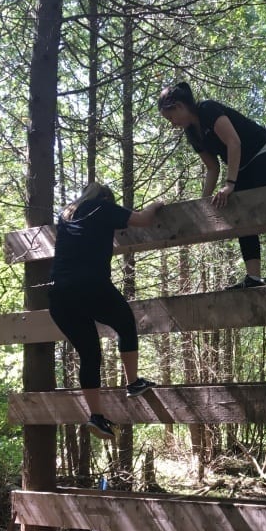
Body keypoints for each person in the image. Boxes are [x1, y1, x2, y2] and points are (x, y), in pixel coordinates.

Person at [48, 182, 164, 439]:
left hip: (59, 294)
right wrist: (157, 205)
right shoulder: (102, 206)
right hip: (90, 285)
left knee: (89, 354)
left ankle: (96, 417)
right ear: (106, 198)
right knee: (125, 323)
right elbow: (144, 220)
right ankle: (133, 382)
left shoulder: (67, 214)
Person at [158, 81, 266, 289]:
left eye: (171, 117)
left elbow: (234, 142)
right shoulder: (191, 133)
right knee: (240, 214)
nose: (172, 123)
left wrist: (230, 184)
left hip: (265, 153)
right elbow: (212, 167)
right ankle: (253, 277)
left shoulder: (208, 109)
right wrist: (203, 202)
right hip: (241, 165)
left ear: (179, 106)